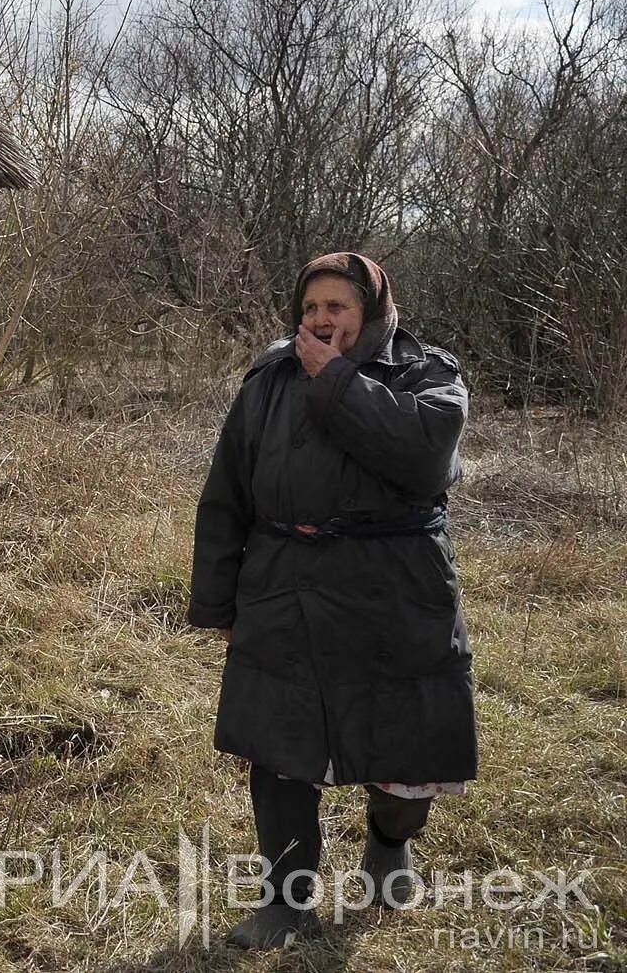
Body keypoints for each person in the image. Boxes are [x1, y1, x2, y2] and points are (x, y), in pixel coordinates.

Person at [187, 252, 477, 949]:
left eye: (337, 307)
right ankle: (286, 903)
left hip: (395, 591)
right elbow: (228, 491)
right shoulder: (269, 376)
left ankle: (388, 843)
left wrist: (335, 378)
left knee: (401, 753)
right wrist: (219, 601)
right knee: (280, 749)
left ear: (371, 311)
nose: (319, 320)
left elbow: (423, 459)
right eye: (311, 307)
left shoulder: (427, 374)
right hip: (285, 583)